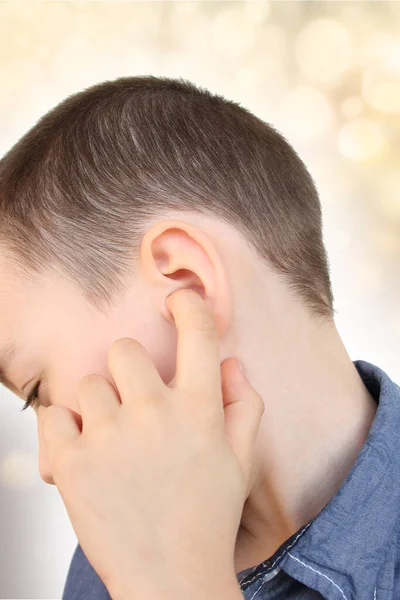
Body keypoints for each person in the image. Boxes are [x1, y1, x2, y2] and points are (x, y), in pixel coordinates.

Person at [0, 75, 398, 600]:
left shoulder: (141, 555)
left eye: (36, 390)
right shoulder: (113, 553)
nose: (51, 465)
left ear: (185, 283)